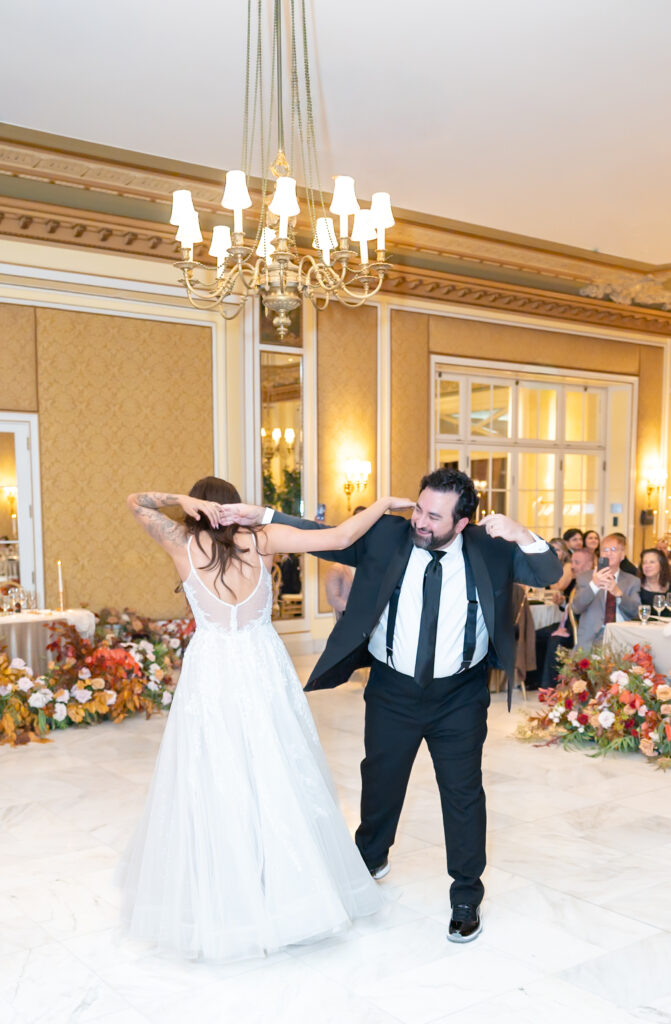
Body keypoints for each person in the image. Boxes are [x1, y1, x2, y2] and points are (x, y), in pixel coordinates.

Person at [222, 468, 561, 944]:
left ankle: (466, 894)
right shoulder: (386, 534)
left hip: (460, 696)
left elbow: (549, 572)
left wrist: (523, 533)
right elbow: (320, 536)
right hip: (392, 689)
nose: (420, 521)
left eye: (433, 516)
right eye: (420, 509)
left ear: (462, 523)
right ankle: (371, 856)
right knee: (380, 779)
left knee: (463, 794)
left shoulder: (491, 547)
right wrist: (261, 514)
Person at [121, 478, 411, 961]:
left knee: (216, 773)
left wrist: (177, 501)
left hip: (212, 668)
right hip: (260, 665)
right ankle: (282, 886)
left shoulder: (180, 542)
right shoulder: (261, 540)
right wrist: (381, 501)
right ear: (231, 504)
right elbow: (340, 537)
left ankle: (231, 886)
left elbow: (135, 500)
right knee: (276, 768)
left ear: (195, 510)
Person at [572, 533, 640, 650]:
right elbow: (576, 608)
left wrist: (618, 593)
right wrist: (594, 585)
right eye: (605, 550)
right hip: (592, 638)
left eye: (613, 549)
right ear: (600, 555)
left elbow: (636, 612)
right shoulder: (585, 578)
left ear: (622, 555)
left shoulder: (632, 581)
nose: (609, 553)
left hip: (622, 637)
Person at [639, 548, 671, 616]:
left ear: (662, 565)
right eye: (644, 562)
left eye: (652, 562)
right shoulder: (636, 587)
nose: (647, 566)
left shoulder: (669, 587)